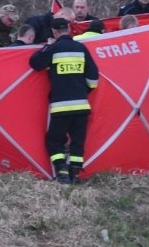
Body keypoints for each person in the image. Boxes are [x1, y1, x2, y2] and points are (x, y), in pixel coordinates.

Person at [29, 17, 99, 184]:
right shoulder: (81, 48)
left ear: (54, 31)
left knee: (54, 140)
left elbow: (35, 63)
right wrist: (82, 91)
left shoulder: (53, 49)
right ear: (69, 28)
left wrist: (46, 46)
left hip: (61, 107)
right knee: (77, 141)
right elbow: (94, 79)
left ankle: (61, 171)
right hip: (82, 105)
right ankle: (75, 173)